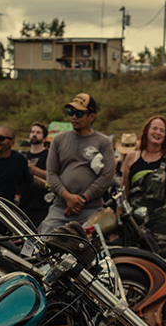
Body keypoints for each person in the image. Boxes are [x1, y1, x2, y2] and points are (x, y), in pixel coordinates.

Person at [41, 92, 115, 229]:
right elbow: (51, 173)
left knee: (91, 248)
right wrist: (67, 197)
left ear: (92, 116)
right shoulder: (58, 140)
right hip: (60, 207)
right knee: (45, 242)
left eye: (79, 114)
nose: (73, 117)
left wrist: (81, 199)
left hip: (91, 210)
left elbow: (107, 177)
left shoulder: (103, 142)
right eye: (71, 112)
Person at [120, 115, 166, 250]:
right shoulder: (132, 157)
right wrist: (119, 220)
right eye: (154, 128)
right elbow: (123, 192)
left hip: (161, 223)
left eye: (162, 130)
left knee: (159, 262)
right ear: (146, 131)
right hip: (134, 222)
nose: (158, 132)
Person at [17, 122, 50, 225]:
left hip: (42, 205)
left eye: (38, 132)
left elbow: (52, 176)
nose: (34, 134)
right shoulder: (23, 156)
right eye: (32, 132)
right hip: (24, 204)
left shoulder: (49, 155)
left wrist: (32, 168)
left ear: (44, 138)